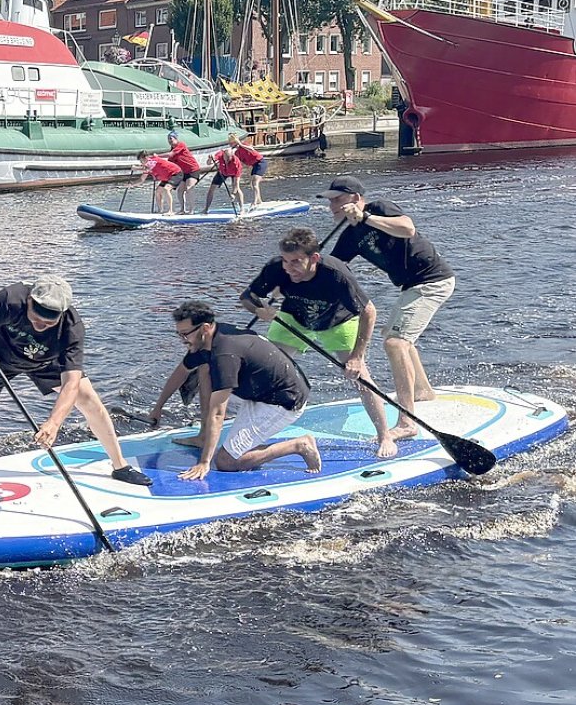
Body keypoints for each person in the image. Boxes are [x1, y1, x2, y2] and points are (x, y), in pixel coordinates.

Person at [0, 274, 153, 497]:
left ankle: (120, 466)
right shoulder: (9, 299)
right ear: (29, 300)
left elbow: (71, 383)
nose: (40, 324)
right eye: (36, 316)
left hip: (48, 361)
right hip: (0, 356)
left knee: (90, 401)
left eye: (48, 320)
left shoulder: (72, 327)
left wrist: (53, 423)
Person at [241, 226, 397, 458]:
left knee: (361, 378)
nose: (288, 268)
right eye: (285, 260)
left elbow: (369, 312)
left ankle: (385, 435)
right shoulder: (277, 268)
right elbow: (246, 297)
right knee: (265, 372)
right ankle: (247, 430)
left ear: (313, 258)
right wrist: (259, 310)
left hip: (338, 321)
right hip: (294, 319)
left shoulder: (335, 273)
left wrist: (356, 357)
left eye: (295, 262)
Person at [321, 175, 456, 437]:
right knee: (393, 337)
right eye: (330, 201)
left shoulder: (379, 208)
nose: (332, 206)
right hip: (411, 286)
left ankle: (407, 422)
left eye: (337, 200)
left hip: (433, 280)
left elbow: (408, 229)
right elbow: (332, 268)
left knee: (396, 343)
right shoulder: (349, 236)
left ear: (356, 199)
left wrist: (366, 218)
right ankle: (422, 391)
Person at [149, 300, 320, 480]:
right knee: (203, 368)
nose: (182, 340)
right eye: (179, 334)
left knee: (226, 462)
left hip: (283, 402)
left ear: (205, 328)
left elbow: (218, 413)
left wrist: (204, 462)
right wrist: (158, 407)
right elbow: (182, 371)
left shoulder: (225, 354)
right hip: (259, 390)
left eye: (185, 335)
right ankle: (203, 435)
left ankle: (299, 445)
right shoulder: (209, 339)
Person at [165, 130, 201, 213]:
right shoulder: (172, 150)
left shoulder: (181, 145)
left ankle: (191, 210)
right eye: (168, 139)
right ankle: (182, 209)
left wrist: (157, 156)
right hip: (183, 173)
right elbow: (169, 163)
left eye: (171, 138)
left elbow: (170, 155)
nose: (170, 141)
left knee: (189, 188)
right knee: (180, 190)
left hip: (193, 170)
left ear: (176, 139)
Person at [137, 150, 182, 214]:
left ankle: (171, 211)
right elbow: (142, 179)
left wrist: (135, 168)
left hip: (176, 173)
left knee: (166, 189)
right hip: (167, 177)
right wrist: (130, 185)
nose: (141, 162)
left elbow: (148, 168)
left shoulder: (152, 161)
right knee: (158, 191)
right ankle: (160, 210)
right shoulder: (149, 162)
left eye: (142, 161)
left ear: (146, 157)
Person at [202, 146, 243, 212]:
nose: (227, 161)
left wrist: (233, 194)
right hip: (222, 172)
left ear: (232, 156)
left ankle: (242, 209)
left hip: (233, 173)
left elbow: (236, 183)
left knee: (237, 189)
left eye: (229, 159)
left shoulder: (236, 163)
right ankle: (206, 209)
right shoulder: (220, 154)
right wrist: (210, 158)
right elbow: (209, 163)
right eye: (226, 158)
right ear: (223, 154)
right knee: (211, 189)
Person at [229, 132, 267, 205]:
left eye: (231, 143)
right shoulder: (237, 152)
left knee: (255, 183)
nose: (230, 145)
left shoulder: (244, 145)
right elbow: (239, 162)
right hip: (254, 165)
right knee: (252, 184)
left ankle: (255, 202)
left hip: (260, 163)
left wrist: (241, 145)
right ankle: (259, 200)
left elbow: (251, 149)